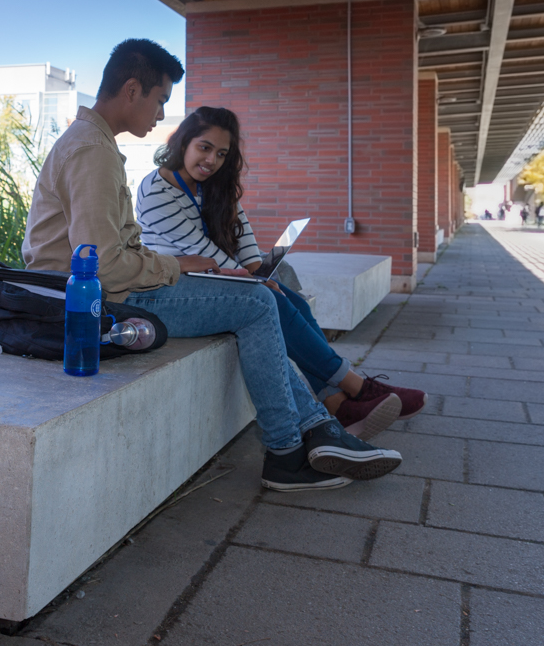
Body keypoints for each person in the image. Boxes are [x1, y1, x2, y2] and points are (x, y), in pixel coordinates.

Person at [23, 39, 402, 492]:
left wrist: (175, 266)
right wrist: (173, 268)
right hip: (97, 305)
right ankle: (290, 449)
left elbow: (110, 253)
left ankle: (319, 430)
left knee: (260, 300)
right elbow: (102, 265)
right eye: (160, 99)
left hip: (105, 293)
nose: (161, 115)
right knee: (258, 304)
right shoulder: (93, 152)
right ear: (131, 90)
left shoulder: (92, 143)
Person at [134, 106, 426, 441]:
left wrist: (258, 267)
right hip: (179, 285)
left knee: (293, 301)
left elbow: (241, 234)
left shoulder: (213, 185)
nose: (212, 160)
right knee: (271, 297)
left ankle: (338, 404)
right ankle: (356, 386)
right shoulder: (157, 188)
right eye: (204, 147)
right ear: (183, 141)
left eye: (221, 153)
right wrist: (252, 277)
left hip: (213, 277)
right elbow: (202, 251)